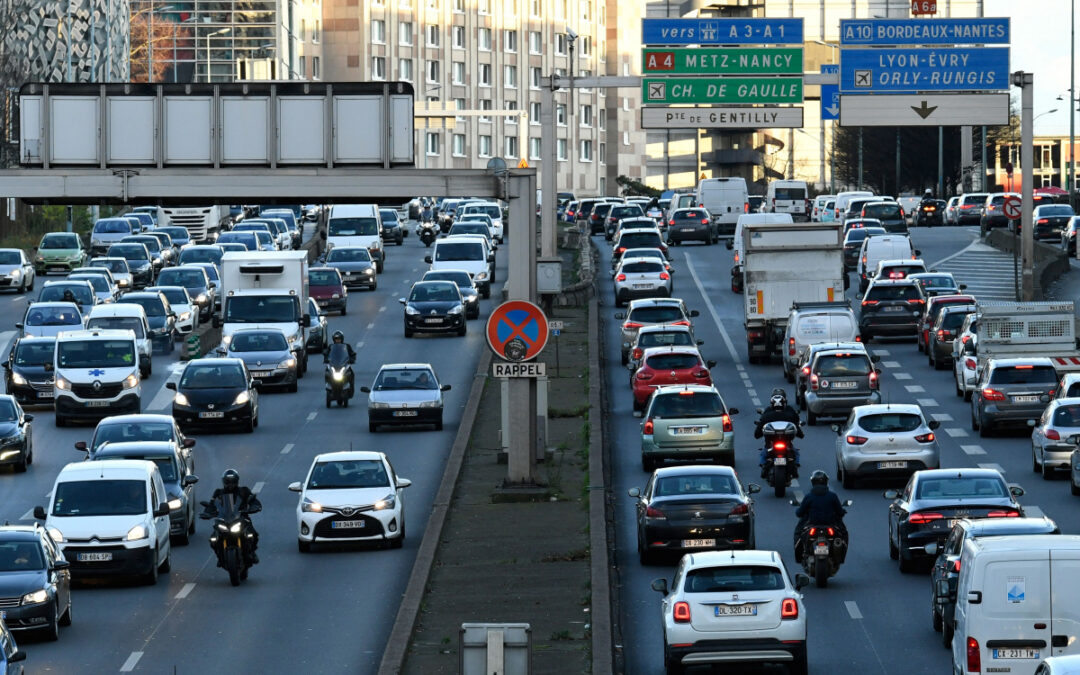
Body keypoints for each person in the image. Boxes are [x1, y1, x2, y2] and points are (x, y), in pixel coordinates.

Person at [202, 469, 262, 565]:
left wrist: (255, 506)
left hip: (241, 518)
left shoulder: (244, 490)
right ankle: (220, 556)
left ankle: (252, 552)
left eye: (232, 482)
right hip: (223, 520)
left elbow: (253, 501)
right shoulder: (218, 492)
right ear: (224, 482)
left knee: (253, 534)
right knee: (213, 538)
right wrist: (207, 513)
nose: (230, 485)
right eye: (228, 482)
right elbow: (212, 504)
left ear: (237, 481)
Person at [793, 470, 848, 563]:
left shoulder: (809, 496)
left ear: (813, 482)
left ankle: (799, 558)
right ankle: (840, 558)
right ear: (826, 482)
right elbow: (840, 512)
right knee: (844, 534)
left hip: (812, 525)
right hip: (830, 525)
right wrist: (843, 511)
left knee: (797, 534)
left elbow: (799, 513)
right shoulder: (832, 496)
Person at [755, 388, 803, 475]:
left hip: (780, 445)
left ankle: (765, 466)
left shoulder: (768, 414)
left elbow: (757, 433)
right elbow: (796, 425)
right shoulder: (789, 413)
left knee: (764, 454)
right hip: (775, 444)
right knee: (795, 453)